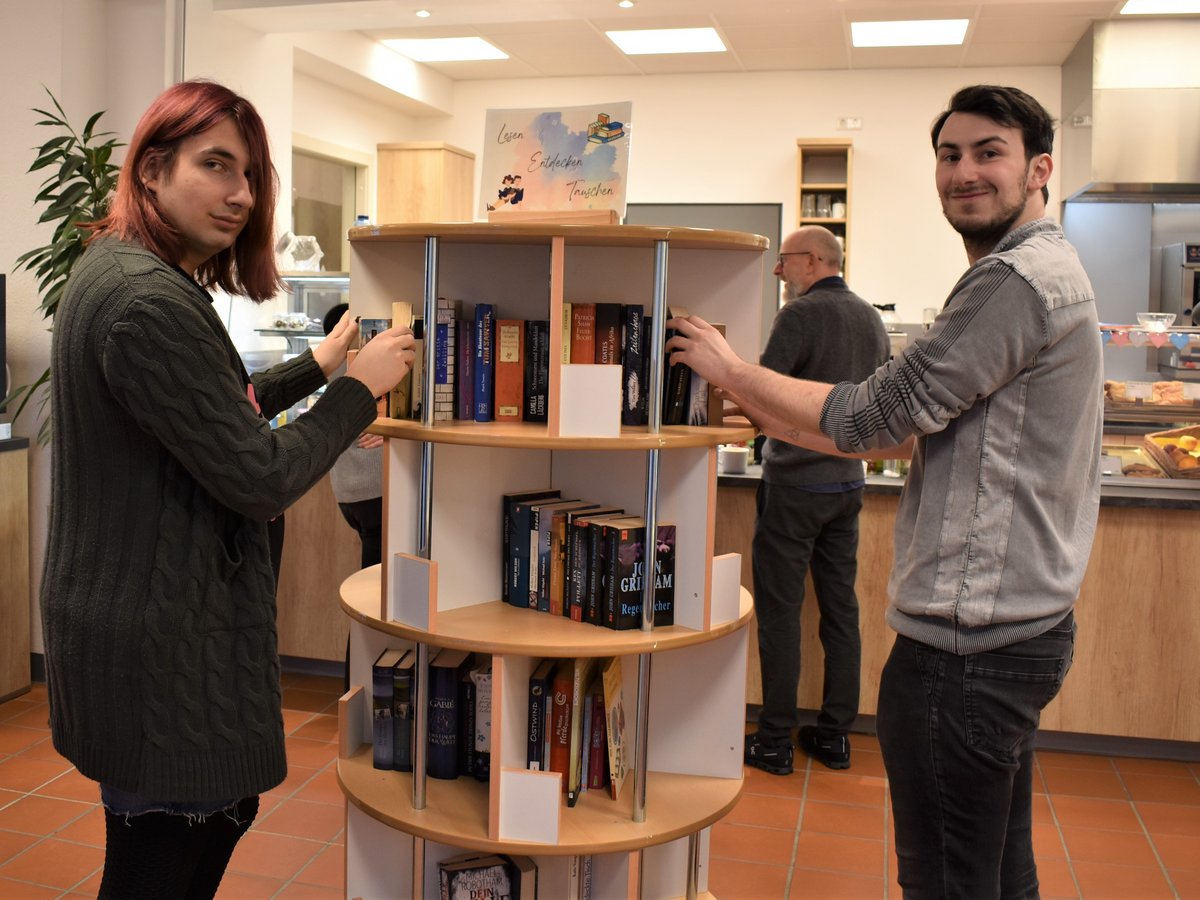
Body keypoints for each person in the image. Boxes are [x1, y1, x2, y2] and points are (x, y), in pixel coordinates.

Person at [666, 84, 1102, 898]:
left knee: (945, 881)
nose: (964, 172)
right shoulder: (1046, 268)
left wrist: (732, 372)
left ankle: (778, 734)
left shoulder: (1013, 280)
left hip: (967, 647)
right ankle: (828, 731)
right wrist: (756, 404)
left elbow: (879, 413)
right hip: (1017, 629)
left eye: (988, 152)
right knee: (999, 872)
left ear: (1039, 168)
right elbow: (908, 432)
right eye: (949, 155)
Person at [40, 79, 415, 899]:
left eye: (250, 174)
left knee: (185, 838)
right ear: (151, 172)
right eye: (216, 165)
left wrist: (316, 367)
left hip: (133, 626)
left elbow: (210, 410)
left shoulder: (120, 272)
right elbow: (258, 474)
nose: (241, 194)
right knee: (166, 860)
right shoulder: (148, 302)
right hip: (160, 646)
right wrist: (359, 392)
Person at [743, 225, 890, 776]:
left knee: (780, 613)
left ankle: (776, 740)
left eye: (783, 262)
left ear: (811, 261)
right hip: (848, 486)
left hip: (795, 486)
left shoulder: (799, 317)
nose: (778, 273)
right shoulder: (870, 318)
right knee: (840, 610)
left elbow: (762, 390)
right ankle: (835, 736)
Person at [322, 302, 384, 571]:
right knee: (378, 585)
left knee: (375, 578)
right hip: (373, 489)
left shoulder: (333, 367)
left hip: (348, 493)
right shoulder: (362, 367)